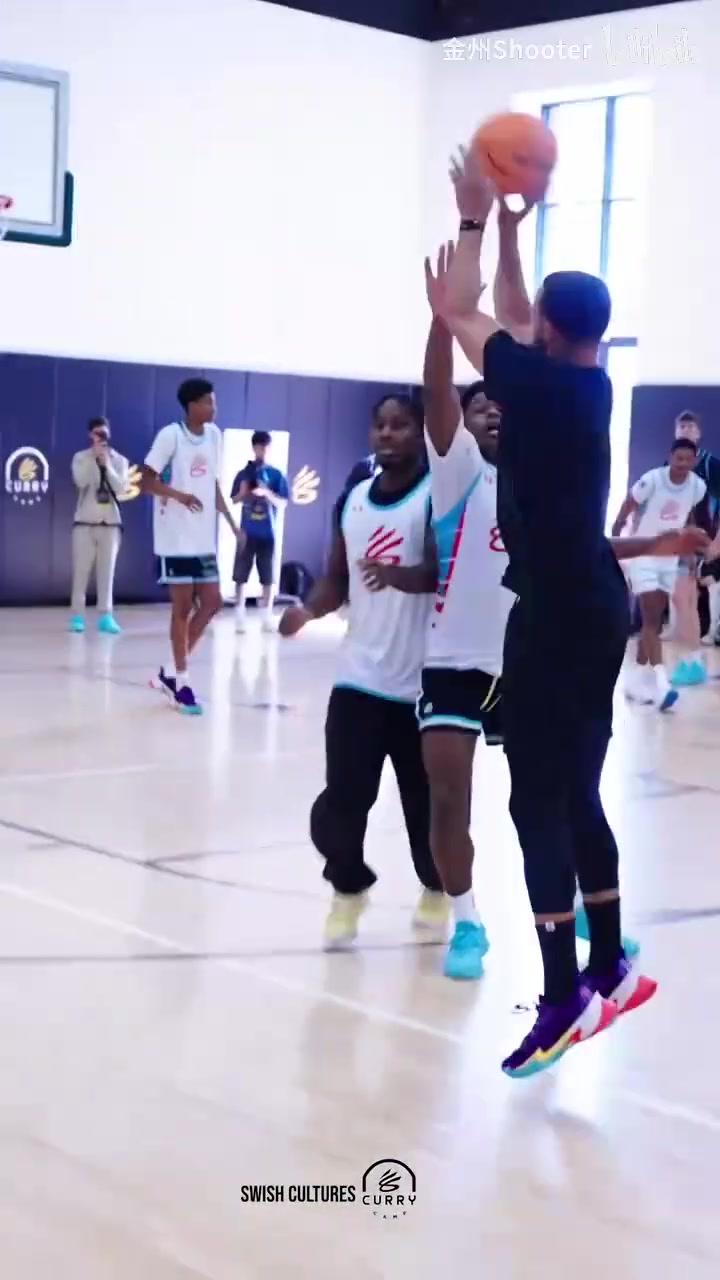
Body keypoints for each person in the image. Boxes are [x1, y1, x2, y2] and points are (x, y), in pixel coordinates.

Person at [434, 146, 663, 1078]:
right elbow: (517, 317)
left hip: (557, 613)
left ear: (551, 334)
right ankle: (611, 964)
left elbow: (462, 309)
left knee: (535, 801)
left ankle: (565, 995)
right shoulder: (586, 380)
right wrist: (513, 234)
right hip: (596, 604)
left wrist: (471, 216)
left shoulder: (531, 386)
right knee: (577, 790)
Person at [278, 394, 444, 948]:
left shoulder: (436, 496)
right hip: (359, 679)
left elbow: (442, 572)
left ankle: (437, 887)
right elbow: (336, 579)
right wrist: (308, 610)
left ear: (421, 431)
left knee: (425, 810)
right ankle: (348, 889)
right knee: (341, 804)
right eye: (380, 425)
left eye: (400, 425)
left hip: (423, 687)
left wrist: (399, 576)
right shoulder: (351, 499)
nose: (387, 434)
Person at [419, 242, 513, 980]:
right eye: (481, 408)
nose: (492, 417)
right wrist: (444, 320)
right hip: (453, 662)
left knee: (553, 796)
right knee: (450, 800)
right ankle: (468, 922)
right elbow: (437, 395)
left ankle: (580, 899)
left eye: (501, 408)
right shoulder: (459, 472)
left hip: (526, 661)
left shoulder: (540, 478)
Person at [142, 378, 242, 715]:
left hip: (203, 539)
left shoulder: (214, 436)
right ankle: (181, 681)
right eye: (208, 402)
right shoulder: (170, 436)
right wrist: (178, 495)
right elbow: (146, 480)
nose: (214, 408)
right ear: (191, 405)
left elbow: (212, 484)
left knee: (212, 602)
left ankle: (170, 671)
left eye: (214, 401)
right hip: (175, 538)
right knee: (182, 610)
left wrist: (232, 524)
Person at [613, 438, 706, 704]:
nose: (682, 464)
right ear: (670, 457)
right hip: (643, 554)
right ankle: (662, 685)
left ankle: (635, 682)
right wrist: (616, 539)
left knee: (651, 622)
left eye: (688, 460)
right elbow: (627, 505)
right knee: (652, 620)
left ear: (695, 461)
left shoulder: (697, 487)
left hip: (670, 558)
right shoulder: (652, 480)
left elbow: (688, 516)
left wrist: (688, 551)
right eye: (678, 459)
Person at [69, 417, 128, 634]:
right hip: (84, 523)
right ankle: (77, 616)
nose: (100, 437)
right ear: (90, 435)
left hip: (110, 523)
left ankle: (106, 616)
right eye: (96, 433)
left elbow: (121, 488)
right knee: (81, 572)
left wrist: (107, 465)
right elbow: (80, 481)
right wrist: (94, 459)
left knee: (107, 573)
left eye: (104, 433)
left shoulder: (119, 460)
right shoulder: (80, 458)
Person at [232, 430, 289, 633]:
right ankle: (239, 617)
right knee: (240, 576)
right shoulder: (244, 473)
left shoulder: (276, 474)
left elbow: (283, 502)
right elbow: (234, 499)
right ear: (253, 447)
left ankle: (266, 617)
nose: (261, 451)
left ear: (269, 448)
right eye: (258, 447)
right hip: (246, 532)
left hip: (268, 533)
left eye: (264, 447)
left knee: (268, 577)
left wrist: (267, 493)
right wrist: (244, 492)